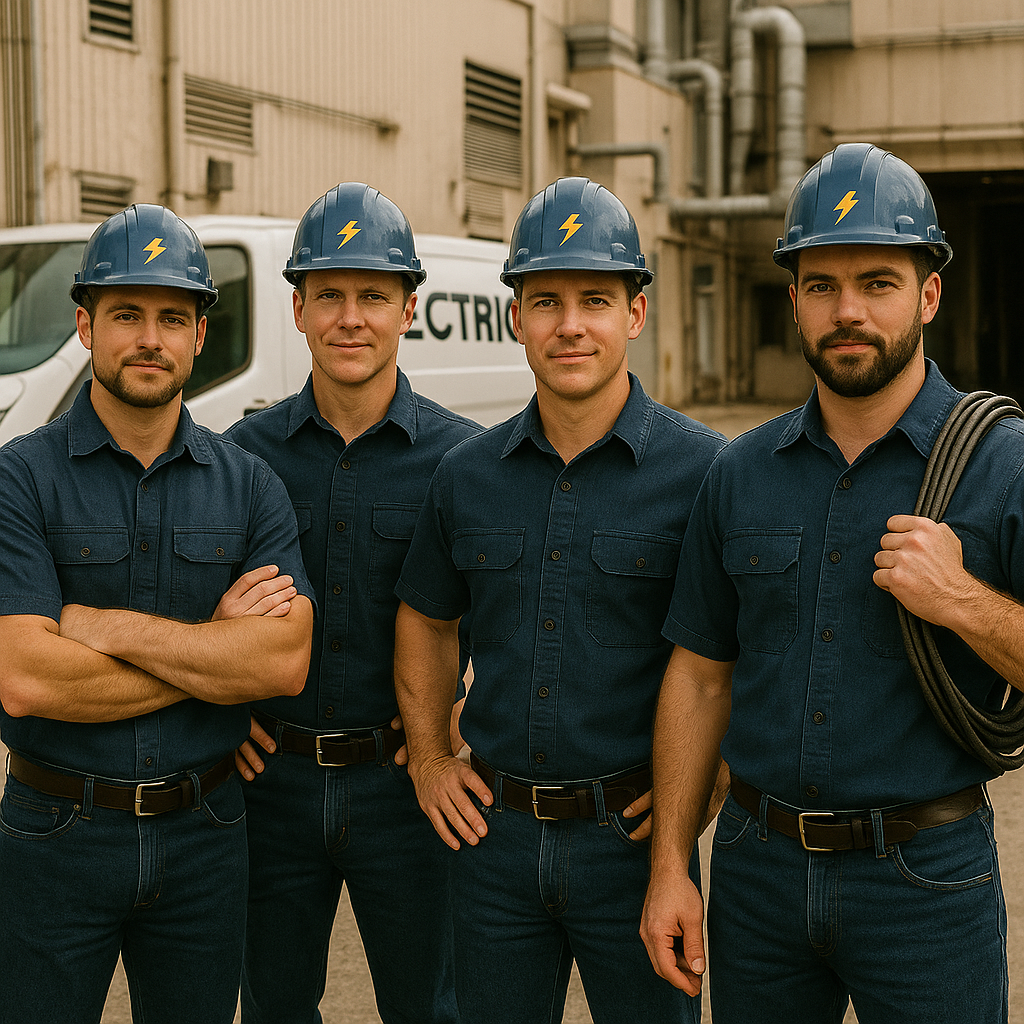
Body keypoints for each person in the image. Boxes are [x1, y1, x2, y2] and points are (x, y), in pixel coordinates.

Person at [641, 142, 1022, 1023]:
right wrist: (671, 865)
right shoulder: (739, 473)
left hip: (924, 882)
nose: (848, 311)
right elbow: (700, 675)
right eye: (822, 285)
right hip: (758, 873)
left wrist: (961, 599)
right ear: (795, 301)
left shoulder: (1004, 467)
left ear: (928, 294)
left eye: (877, 283)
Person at [394, 176, 726, 1024]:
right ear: (516, 317)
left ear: (636, 314)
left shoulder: (708, 476)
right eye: (544, 301)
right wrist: (431, 757)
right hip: (491, 845)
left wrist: (712, 780)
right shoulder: (465, 477)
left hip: (638, 844)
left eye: (595, 299)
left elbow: (741, 651)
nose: (569, 325)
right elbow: (428, 618)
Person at [0, 204, 315, 1024]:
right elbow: (26, 677)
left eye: (173, 316)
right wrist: (214, 658)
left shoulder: (250, 485)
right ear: (84, 325)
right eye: (126, 314)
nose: (151, 337)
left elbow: (280, 663)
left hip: (203, 838)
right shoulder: (18, 481)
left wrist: (103, 628)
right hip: (52, 836)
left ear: (201, 334)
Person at [225, 182, 479, 1024]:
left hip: (406, 789)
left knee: (431, 1008)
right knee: (272, 1007)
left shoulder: (465, 463)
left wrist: (468, 722)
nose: (350, 317)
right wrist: (217, 716)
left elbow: (510, 609)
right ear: (297, 309)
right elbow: (195, 613)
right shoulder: (241, 460)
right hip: (272, 787)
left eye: (373, 295)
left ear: (410, 309)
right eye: (328, 295)